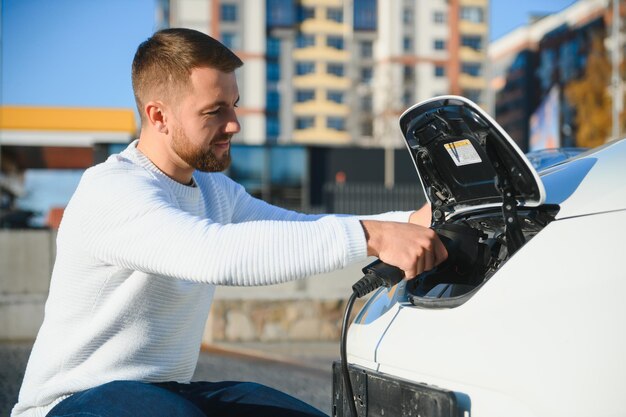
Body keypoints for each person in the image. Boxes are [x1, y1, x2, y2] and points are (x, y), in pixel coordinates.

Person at [12, 28, 447, 417]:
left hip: (166, 394)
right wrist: (374, 236)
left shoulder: (214, 191)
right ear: (158, 116)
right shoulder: (111, 189)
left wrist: (409, 221)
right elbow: (212, 253)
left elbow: (293, 228)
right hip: (73, 403)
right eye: (214, 110)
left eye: (234, 105)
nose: (235, 123)